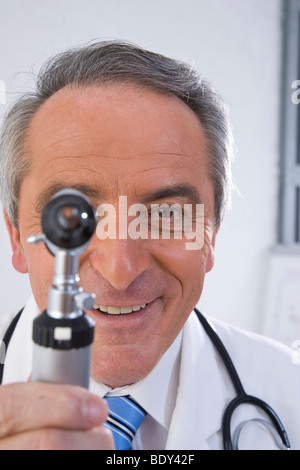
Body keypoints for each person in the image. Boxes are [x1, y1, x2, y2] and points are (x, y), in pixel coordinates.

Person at [0, 40, 299, 451]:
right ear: (17, 237)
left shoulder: (288, 387)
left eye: (167, 215)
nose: (120, 270)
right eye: (73, 217)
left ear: (211, 234)